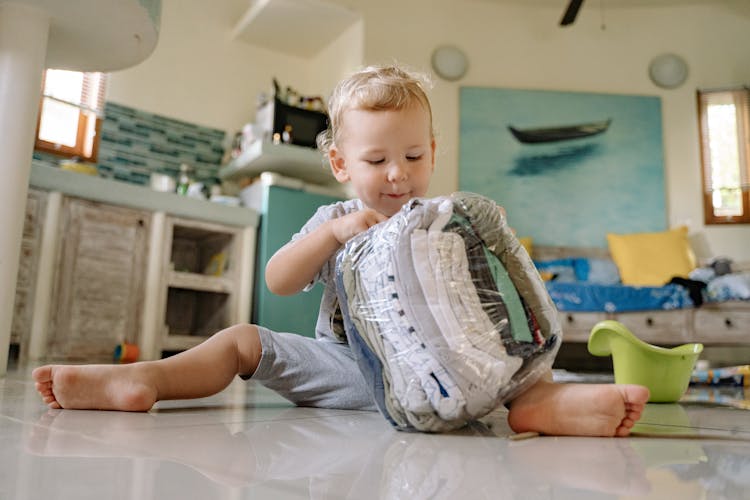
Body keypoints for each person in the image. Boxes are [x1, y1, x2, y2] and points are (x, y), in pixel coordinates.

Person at [33, 65, 650, 437]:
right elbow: (277, 280)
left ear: (432, 152)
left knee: (514, 373)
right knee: (243, 338)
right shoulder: (337, 219)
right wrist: (329, 236)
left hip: (440, 371)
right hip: (349, 369)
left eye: (413, 157)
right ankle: (145, 380)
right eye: (376, 160)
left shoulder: (441, 223)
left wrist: (484, 240)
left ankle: (543, 407)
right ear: (339, 163)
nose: (397, 175)